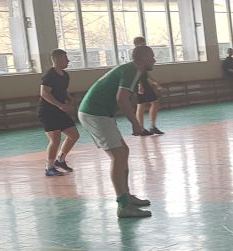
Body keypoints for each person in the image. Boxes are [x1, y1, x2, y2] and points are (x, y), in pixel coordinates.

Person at [76, 45, 155, 219]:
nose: (154, 60)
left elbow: (124, 94)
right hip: (95, 113)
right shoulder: (132, 70)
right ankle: (123, 205)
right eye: (152, 57)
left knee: (123, 152)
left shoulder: (133, 70)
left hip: (99, 113)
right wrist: (135, 123)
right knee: (118, 156)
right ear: (143, 58)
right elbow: (121, 98)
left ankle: (126, 195)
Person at [38, 48, 79, 177]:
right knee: (55, 139)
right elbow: (44, 93)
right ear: (57, 59)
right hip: (48, 112)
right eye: (65, 58)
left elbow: (62, 91)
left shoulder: (65, 75)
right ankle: (49, 168)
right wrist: (60, 105)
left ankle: (60, 160)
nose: (68, 61)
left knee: (74, 135)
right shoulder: (50, 75)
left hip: (59, 111)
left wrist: (70, 99)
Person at [132, 36, 162, 136]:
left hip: (145, 82)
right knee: (141, 104)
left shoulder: (145, 56)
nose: (144, 45)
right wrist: (139, 84)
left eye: (144, 43)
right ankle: (141, 127)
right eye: (142, 44)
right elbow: (136, 72)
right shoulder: (136, 56)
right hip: (139, 83)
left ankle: (153, 126)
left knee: (155, 102)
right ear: (137, 44)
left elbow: (145, 72)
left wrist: (154, 81)